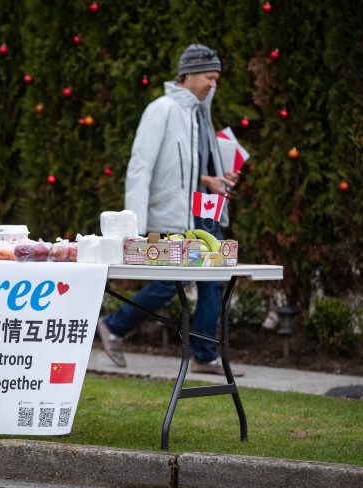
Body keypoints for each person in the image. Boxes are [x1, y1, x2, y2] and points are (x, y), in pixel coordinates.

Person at [96, 43, 243, 376]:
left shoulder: (198, 116)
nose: (213, 84)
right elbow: (141, 166)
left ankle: (204, 354)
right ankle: (114, 326)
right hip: (171, 216)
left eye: (217, 78)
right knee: (168, 282)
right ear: (187, 74)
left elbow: (184, 169)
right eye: (209, 77)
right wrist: (134, 226)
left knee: (213, 279)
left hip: (202, 212)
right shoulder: (161, 109)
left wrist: (213, 180)